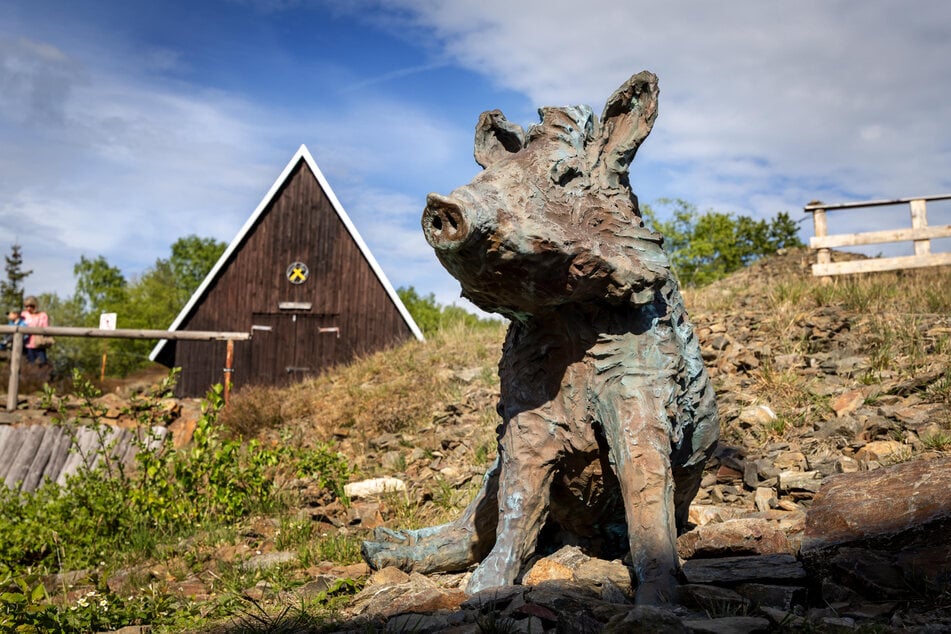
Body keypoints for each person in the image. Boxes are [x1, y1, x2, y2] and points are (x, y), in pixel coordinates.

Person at [21, 296, 49, 364]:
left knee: (42, 363)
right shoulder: (23, 315)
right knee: (30, 364)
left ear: (35, 305)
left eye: (31, 306)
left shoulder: (42, 315)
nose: (29, 308)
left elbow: (45, 327)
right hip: (27, 344)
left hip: (39, 343)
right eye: (27, 306)